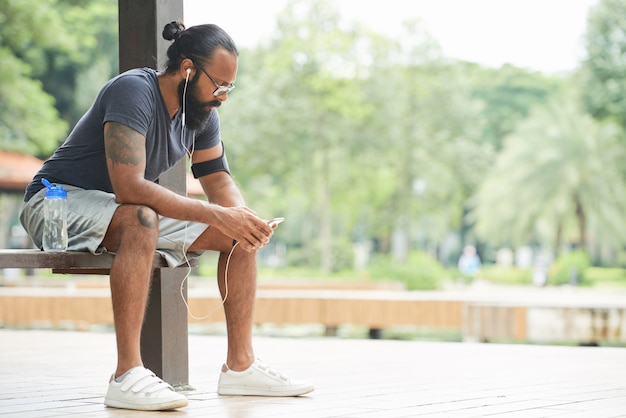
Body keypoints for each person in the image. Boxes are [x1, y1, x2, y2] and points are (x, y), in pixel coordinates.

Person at [20, 20, 313, 411]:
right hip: (56, 202)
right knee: (141, 217)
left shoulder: (202, 112)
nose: (223, 96)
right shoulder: (133, 91)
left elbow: (218, 179)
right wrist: (217, 215)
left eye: (230, 87)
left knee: (237, 235)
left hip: (119, 211)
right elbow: (131, 187)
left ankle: (241, 366)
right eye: (219, 85)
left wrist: (242, 217)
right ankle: (127, 373)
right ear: (188, 69)